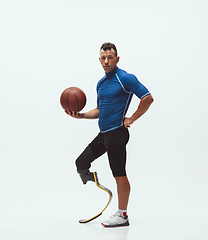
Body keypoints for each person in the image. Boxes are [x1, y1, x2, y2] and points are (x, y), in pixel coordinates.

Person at [65, 42, 153, 227]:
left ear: (117, 59)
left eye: (110, 58)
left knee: (119, 174)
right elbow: (99, 110)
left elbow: (147, 98)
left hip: (117, 134)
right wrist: (80, 116)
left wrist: (132, 119)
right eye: (103, 58)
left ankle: (122, 216)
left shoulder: (125, 78)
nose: (106, 61)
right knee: (81, 162)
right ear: (99, 60)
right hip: (104, 134)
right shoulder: (101, 84)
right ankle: (98, 184)